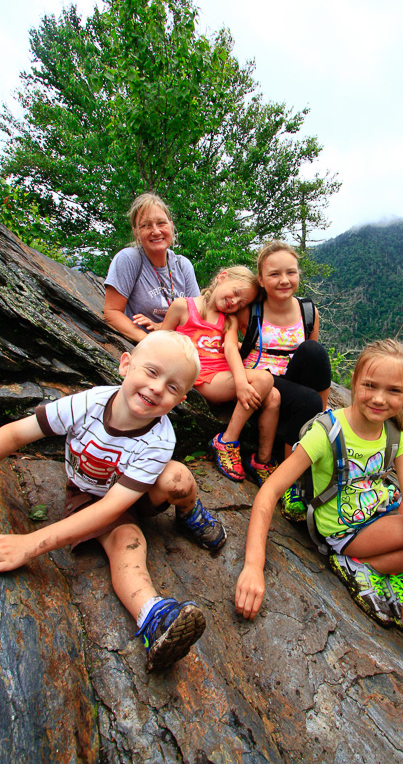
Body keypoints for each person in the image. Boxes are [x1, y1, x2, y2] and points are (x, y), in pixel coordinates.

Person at [235, 339, 403, 640]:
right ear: (354, 381)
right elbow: (269, 492)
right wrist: (254, 566)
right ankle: (360, 563)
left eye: (394, 390)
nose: (379, 399)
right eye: (370, 386)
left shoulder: (395, 432)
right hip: (349, 528)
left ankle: (386, 560)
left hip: (383, 506)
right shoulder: (328, 432)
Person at [0, 331, 227, 672]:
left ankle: (189, 513)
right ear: (125, 364)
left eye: (172, 387)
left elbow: (117, 505)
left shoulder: (161, 438)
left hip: (134, 495)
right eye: (151, 372)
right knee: (128, 542)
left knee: (177, 477)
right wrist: (31, 544)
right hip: (94, 495)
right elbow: (17, 433)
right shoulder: (86, 404)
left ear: (179, 401)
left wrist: (31, 544)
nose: (156, 388)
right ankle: (154, 618)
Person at [135, 266, 281, 484]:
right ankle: (227, 441)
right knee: (264, 379)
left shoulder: (228, 320)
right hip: (203, 377)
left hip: (224, 376)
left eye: (241, 303)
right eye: (235, 293)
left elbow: (231, 349)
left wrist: (240, 382)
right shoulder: (183, 307)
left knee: (274, 396)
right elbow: (164, 340)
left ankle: (262, 461)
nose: (235, 302)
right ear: (222, 277)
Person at [238, 241, 331, 510]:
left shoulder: (307, 311)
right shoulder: (251, 310)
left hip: (293, 385)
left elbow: (314, 363)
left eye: (291, 272)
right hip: (261, 383)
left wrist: (320, 411)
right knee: (308, 401)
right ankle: (289, 477)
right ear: (261, 279)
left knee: (314, 351)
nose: (284, 280)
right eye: (274, 274)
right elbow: (227, 347)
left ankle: (316, 423)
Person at [104, 193, 200, 343]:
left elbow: (197, 315)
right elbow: (112, 313)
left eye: (161, 223)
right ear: (136, 232)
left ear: (171, 225)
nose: (156, 231)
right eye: (146, 225)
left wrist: (161, 326)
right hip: (142, 345)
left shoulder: (183, 265)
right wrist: (149, 341)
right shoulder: (129, 259)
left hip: (181, 346)